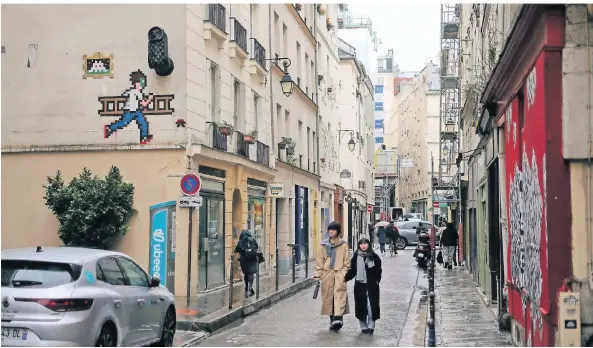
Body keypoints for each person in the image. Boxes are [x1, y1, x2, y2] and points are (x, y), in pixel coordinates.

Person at [314, 221, 351, 332]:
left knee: (339, 297)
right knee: (329, 298)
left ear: (338, 231)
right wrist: (318, 274)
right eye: (329, 229)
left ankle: (338, 319)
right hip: (327, 274)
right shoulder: (323, 245)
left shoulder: (343, 244)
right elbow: (320, 261)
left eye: (333, 230)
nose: (331, 231)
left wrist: (343, 274)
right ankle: (332, 321)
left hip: (339, 273)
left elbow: (346, 261)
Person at [104, 70, 154, 144]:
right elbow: (144, 104)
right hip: (130, 111)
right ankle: (109, 128)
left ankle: (144, 137)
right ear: (136, 83)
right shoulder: (136, 92)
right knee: (124, 122)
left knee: (143, 122)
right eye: (140, 83)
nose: (141, 85)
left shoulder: (133, 91)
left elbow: (125, 94)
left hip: (136, 110)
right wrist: (150, 99)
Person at [345, 238, 382, 334]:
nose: (363, 246)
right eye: (361, 244)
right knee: (361, 306)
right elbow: (353, 271)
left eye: (365, 244)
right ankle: (363, 326)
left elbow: (378, 270)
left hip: (372, 286)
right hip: (359, 286)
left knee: (371, 307)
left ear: (368, 245)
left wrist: (377, 281)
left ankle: (371, 326)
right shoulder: (356, 257)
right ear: (359, 245)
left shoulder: (374, 257)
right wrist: (345, 279)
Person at [234, 229, 259, 297]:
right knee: (251, 273)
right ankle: (250, 286)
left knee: (246, 273)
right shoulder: (252, 240)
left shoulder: (241, 241)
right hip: (252, 259)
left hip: (244, 260)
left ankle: (246, 286)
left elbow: (236, 250)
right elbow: (257, 247)